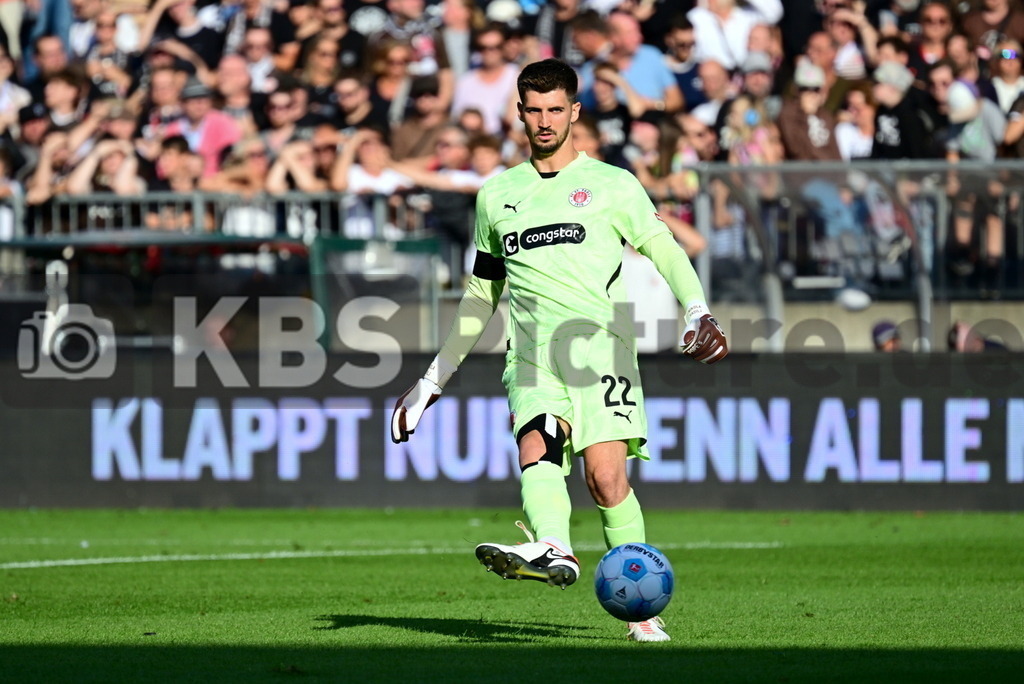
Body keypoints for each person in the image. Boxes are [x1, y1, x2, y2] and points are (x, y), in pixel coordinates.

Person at [389, 58, 727, 643]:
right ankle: (553, 546)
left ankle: (641, 612)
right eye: (533, 110)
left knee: (605, 480)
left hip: (602, 349)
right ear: (519, 114)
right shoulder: (497, 194)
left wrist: (697, 309)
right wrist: (431, 381)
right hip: (530, 353)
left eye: (555, 109)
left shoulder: (613, 183)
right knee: (537, 444)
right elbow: (481, 294)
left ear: (573, 112)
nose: (544, 121)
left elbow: (664, 247)